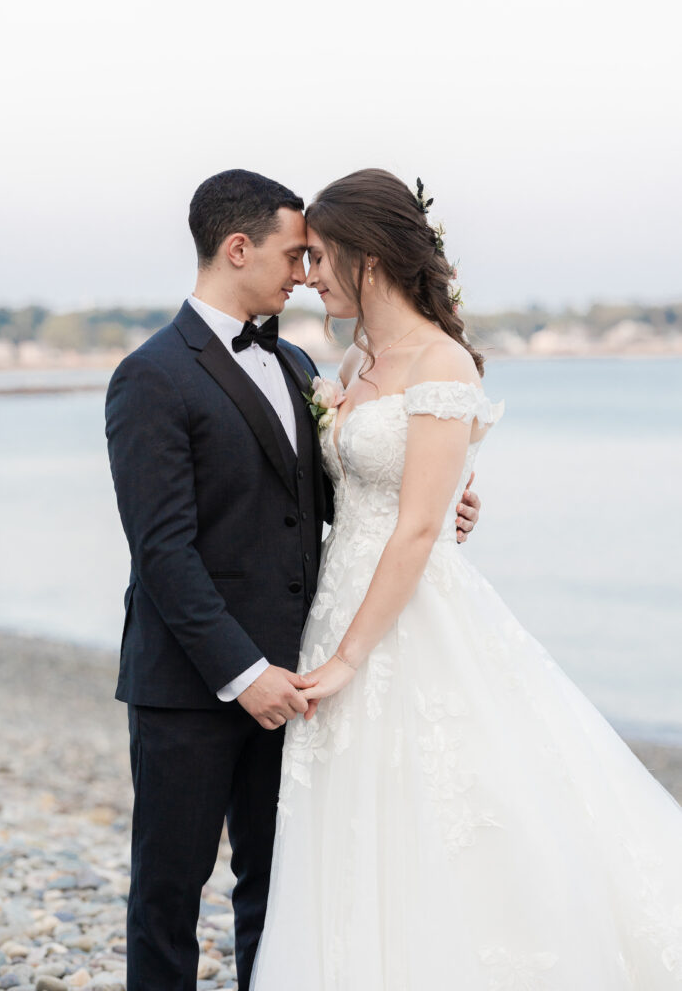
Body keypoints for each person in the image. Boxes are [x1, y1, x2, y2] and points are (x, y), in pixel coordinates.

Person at [251, 169, 682, 990]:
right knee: (359, 813)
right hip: (342, 595)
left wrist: (346, 658)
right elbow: (357, 491)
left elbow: (416, 527)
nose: (308, 277)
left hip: (407, 616)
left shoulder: (440, 359)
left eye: (319, 257)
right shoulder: (353, 364)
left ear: (366, 259)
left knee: (451, 807)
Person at [104, 168, 482, 991]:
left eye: (315, 256)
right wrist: (243, 675)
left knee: (280, 894)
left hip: (301, 675)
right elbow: (161, 550)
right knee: (167, 894)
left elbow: (343, 500)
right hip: (193, 683)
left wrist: (441, 502)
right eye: (293, 254)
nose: (306, 273)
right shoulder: (151, 376)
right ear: (237, 249)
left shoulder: (309, 371)